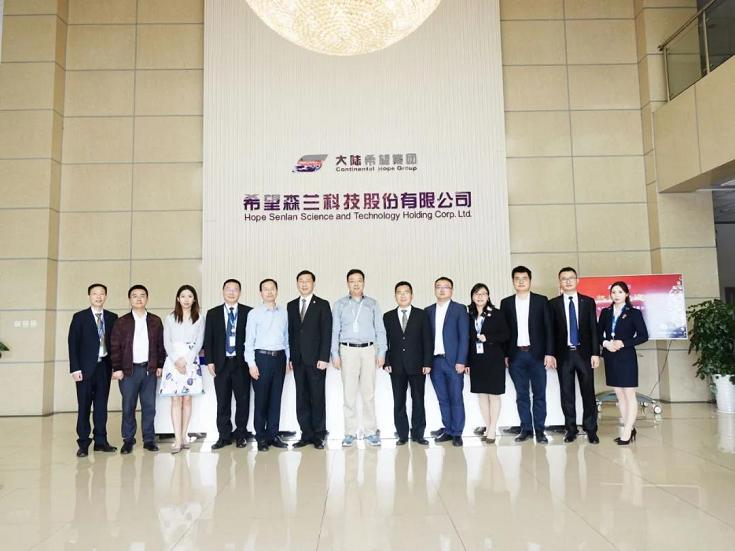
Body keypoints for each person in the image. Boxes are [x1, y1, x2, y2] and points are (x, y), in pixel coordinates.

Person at [331, 269, 387, 447]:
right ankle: (349, 433)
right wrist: (334, 354)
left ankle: (371, 432)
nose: (356, 284)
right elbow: (334, 331)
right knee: (349, 395)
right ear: (347, 283)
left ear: (364, 283)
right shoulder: (339, 304)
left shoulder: (372, 304)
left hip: (368, 350)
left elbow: (380, 330)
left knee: (368, 394)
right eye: (352, 281)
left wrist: (382, 352)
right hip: (347, 351)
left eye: (359, 280)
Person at [499, 266, 555, 444]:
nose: (521, 281)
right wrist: (505, 355)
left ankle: (540, 430)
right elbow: (504, 332)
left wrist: (549, 353)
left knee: (539, 395)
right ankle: (526, 429)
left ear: (530, 281)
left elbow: (548, 329)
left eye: (524, 278)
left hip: (537, 355)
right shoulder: (506, 303)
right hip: (516, 356)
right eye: (517, 278)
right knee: (521, 395)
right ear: (513, 281)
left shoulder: (541, 301)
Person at [110, 285, 166, 454]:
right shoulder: (121, 322)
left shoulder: (155, 321)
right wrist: (117, 368)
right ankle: (128, 439)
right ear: (130, 300)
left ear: (147, 299)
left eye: (142, 295)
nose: (139, 298)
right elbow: (115, 346)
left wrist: (160, 365)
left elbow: (160, 345)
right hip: (128, 371)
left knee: (149, 406)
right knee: (128, 406)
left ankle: (149, 439)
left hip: (149, 369)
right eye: (134, 296)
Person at [549, 267, 600, 444]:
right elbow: (550, 332)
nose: (568, 281)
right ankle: (570, 429)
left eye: (571, 278)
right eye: (564, 278)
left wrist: (595, 353)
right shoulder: (553, 304)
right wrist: (551, 354)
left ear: (577, 281)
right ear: (560, 282)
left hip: (584, 354)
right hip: (563, 355)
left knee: (588, 393)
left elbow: (594, 329)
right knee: (567, 394)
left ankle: (591, 429)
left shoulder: (588, 302)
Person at [68, 283, 118, 457]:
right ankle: (83, 443)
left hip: (104, 367)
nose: (98, 297)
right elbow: (72, 344)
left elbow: (115, 344)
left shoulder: (112, 317)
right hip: (84, 369)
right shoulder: (79, 317)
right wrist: (75, 368)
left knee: (101, 406)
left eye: (101, 294)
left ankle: (101, 441)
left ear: (106, 296)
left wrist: (116, 367)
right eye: (95, 293)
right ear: (89, 296)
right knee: (84, 406)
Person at [203, 279, 253, 450]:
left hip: (241, 364)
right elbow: (208, 339)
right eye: (228, 289)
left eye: (235, 289)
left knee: (242, 401)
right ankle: (223, 436)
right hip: (221, 364)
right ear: (223, 291)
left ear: (240, 292)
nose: (231, 292)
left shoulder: (248, 312)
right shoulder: (213, 313)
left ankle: (241, 434)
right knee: (222, 401)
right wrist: (210, 360)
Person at [597, 281, 649, 445]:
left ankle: (627, 431)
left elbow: (643, 336)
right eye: (613, 292)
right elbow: (598, 334)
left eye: (620, 292)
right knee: (619, 394)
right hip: (611, 356)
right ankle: (629, 427)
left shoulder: (634, 313)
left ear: (626, 294)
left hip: (626, 357)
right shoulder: (606, 312)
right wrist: (606, 343)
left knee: (629, 394)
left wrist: (624, 343)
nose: (616, 295)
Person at [383, 281, 433, 445]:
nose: (403, 295)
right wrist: (386, 361)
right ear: (395, 296)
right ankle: (402, 434)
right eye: (399, 292)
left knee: (418, 400)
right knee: (399, 401)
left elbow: (427, 340)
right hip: (396, 366)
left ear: (412, 295)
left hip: (418, 365)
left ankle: (418, 434)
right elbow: (385, 341)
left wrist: (427, 362)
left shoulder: (421, 315)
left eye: (406, 292)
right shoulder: (388, 316)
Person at [288, 270, 332, 450]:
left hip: (316, 361)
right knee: (302, 398)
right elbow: (291, 333)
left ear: (313, 283)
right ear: (297, 284)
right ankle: (305, 434)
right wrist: (291, 357)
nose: (304, 284)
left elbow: (326, 332)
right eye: (301, 281)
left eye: (307, 281)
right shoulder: (291, 305)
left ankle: (319, 435)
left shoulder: (322, 304)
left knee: (317, 398)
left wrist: (324, 357)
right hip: (298, 360)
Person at [245, 279, 289, 451]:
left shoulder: (284, 313)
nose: (269, 292)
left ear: (277, 291)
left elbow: (286, 339)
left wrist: (288, 359)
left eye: (272, 289)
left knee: (276, 399)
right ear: (260, 293)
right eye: (266, 289)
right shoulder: (254, 313)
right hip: (261, 359)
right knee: (261, 400)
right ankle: (261, 437)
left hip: (279, 359)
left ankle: (273, 435)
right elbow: (249, 341)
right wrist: (251, 364)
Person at [160, 285, 205, 454]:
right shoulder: (170, 318)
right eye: (183, 296)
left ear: (194, 299)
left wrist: (186, 360)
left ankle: (184, 435)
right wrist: (176, 360)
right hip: (173, 361)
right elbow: (167, 342)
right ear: (178, 299)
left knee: (187, 399)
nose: (186, 299)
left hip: (190, 361)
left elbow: (199, 342)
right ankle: (177, 439)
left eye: (190, 296)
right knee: (175, 400)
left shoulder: (199, 318)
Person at [426, 277, 470, 447]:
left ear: (452, 290)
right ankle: (448, 430)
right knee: (443, 398)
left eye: (446, 287)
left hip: (453, 362)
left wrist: (461, 360)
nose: (442, 290)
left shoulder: (459, 309)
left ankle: (457, 433)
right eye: (438, 287)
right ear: (434, 290)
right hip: (435, 362)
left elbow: (464, 337)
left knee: (456, 398)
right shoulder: (428, 311)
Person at [466, 283, 510, 444]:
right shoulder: (468, 315)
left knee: (494, 394)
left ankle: (492, 428)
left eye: (483, 294)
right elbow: (466, 340)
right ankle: (487, 425)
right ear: (472, 297)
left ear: (488, 296)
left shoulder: (497, 314)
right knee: (482, 394)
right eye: (477, 294)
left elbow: (506, 335)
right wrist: (466, 362)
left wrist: (488, 338)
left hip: (494, 359)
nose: (480, 297)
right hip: (476, 360)